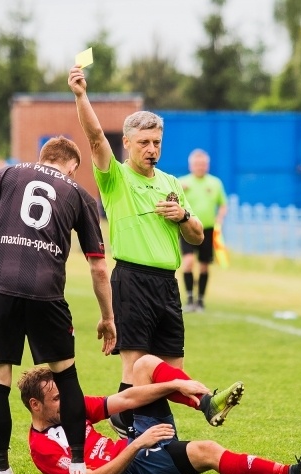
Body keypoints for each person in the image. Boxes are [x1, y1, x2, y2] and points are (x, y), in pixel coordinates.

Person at [0, 136, 116, 474]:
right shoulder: (80, 195)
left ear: (42, 157)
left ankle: (3, 471)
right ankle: (78, 463)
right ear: (71, 166)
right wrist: (108, 316)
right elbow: (97, 267)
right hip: (46, 290)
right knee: (67, 376)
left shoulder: (7, 174)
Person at [68, 65, 206, 437]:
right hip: (131, 279)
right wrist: (81, 95)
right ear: (127, 143)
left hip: (167, 283)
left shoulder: (172, 182)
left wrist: (183, 214)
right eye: (144, 142)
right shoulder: (115, 178)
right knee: (135, 366)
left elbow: (197, 236)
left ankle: (132, 417)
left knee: (172, 369)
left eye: (156, 142)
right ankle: (141, 429)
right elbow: (95, 137)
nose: (151, 149)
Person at [17, 354, 301, 474]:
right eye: (57, 399)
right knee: (208, 451)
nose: (66, 402)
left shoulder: (72, 406)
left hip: (135, 442)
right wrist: (137, 445)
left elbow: (123, 400)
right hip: (135, 464)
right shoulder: (42, 449)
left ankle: (206, 403)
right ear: (35, 405)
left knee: (144, 365)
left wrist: (177, 386)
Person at [179, 149, 228, 312]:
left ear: (207, 165)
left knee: (204, 265)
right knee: (188, 262)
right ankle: (190, 298)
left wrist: (219, 218)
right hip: (187, 228)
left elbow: (223, 204)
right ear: (191, 165)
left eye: (203, 164)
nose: (200, 166)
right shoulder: (182, 183)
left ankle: (200, 300)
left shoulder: (215, 183)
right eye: (197, 164)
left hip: (207, 229)